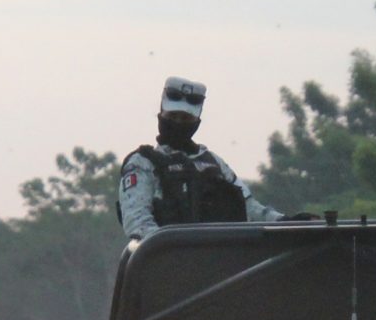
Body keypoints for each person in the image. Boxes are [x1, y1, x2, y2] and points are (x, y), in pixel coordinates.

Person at [116, 78, 286, 241]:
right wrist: (175, 250)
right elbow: (137, 223)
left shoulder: (214, 163)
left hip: (221, 261)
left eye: (185, 119)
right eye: (173, 116)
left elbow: (250, 209)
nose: (178, 123)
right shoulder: (142, 163)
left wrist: (285, 222)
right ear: (161, 114)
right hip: (167, 263)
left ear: (196, 122)